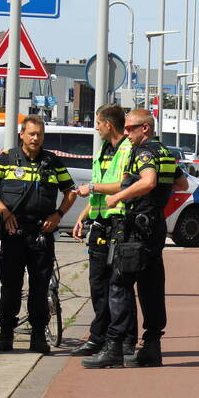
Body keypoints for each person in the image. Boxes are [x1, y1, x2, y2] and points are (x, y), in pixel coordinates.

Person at [83, 109, 187, 369]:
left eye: (131, 128)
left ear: (145, 129)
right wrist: (157, 200)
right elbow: (181, 184)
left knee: (119, 284)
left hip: (135, 228)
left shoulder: (144, 152)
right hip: (155, 227)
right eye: (126, 128)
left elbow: (149, 181)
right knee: (151, 287)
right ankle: (152, 347)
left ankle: (116, 347)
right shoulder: (165, 153)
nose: (126, 132)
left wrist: (120, 196)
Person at [0, 115, 77, 354]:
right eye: (31, 133)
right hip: (14, 232)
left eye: (40, 134)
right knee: (11, 286)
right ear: (22, 134)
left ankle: (38, 336)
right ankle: (6, 335)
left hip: (41, 234)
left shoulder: (52, 162)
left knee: (40, 287)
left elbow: (70, 191)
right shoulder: (8, 159)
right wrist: (2, 210)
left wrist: (58, 215)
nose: (35, 138)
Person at [70, 104, 138, 358]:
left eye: (97, 122)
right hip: (99, 223)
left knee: (119, 287)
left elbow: (124, 184)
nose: (96, 127)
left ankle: (124, 341)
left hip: (119, 224)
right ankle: (99, 337)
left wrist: (95, 187)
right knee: (98, 286)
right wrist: (82, 216)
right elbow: (98, 187)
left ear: (108, 124)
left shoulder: (128, 150)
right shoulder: (103, 150)